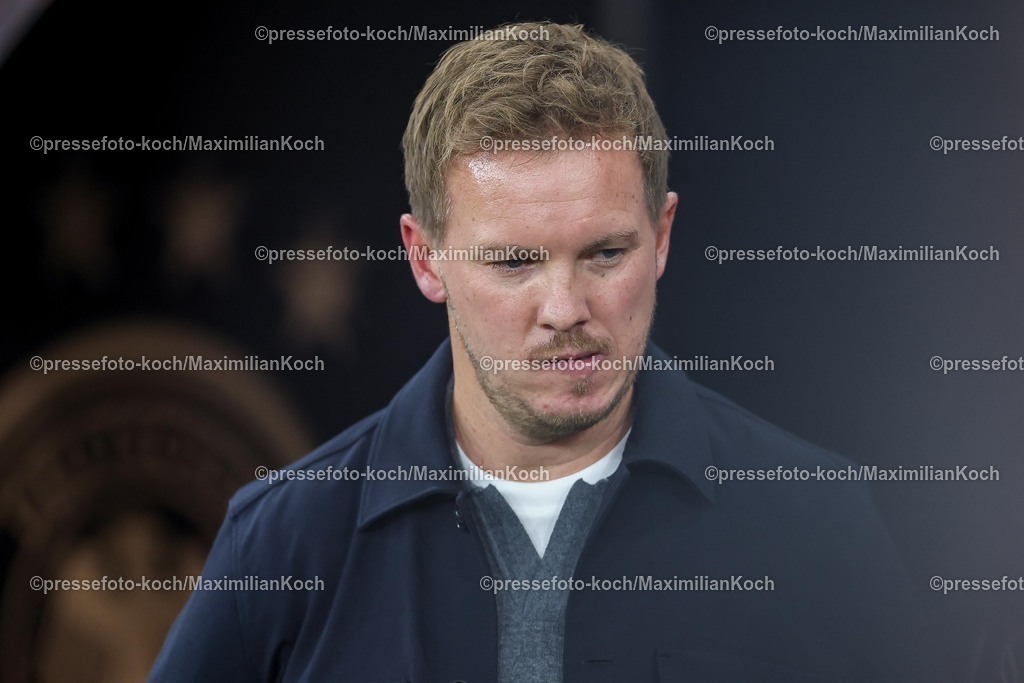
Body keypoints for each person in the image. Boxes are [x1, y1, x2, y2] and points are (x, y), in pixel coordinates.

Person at [150, 21, 930, 682]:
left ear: (661, 237)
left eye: (604, 253)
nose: (565, 310)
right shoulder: (284, 541)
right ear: (425, 260)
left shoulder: (815, 525)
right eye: (514, 260)